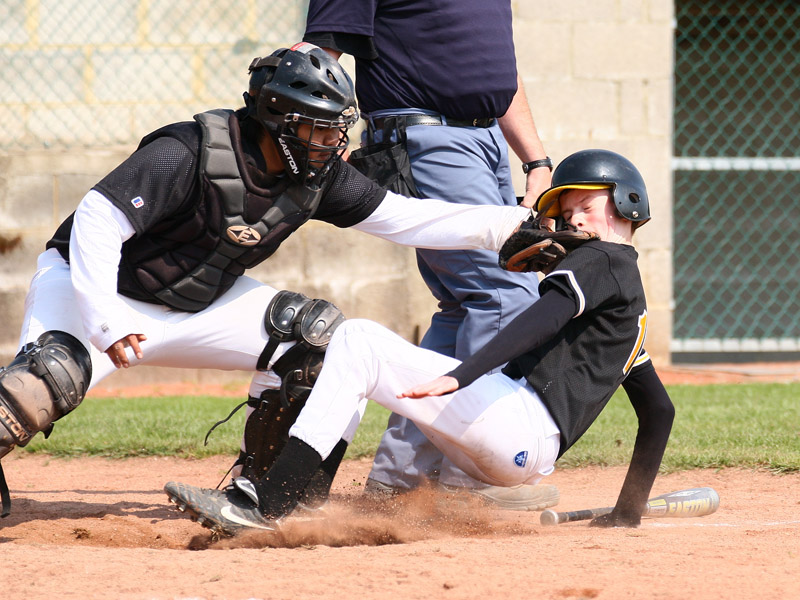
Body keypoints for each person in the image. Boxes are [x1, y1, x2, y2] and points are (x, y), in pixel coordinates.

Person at [0, 42, 536, 518]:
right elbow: (98, 218)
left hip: (198, 304)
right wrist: (102, 317)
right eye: (318, 127)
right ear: (276, 119)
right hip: (93, 289)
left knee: (317, 340)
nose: (331, 142)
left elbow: (404, 217)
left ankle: (266, 497)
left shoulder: (316, 176)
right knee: (48, 376)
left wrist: (510, 226)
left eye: (335, 127)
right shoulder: (189, 150)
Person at [164, 149, 676, 536]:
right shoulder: (629, 309)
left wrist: (461, 374)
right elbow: (659, 411)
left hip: (514, 424)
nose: (573, 220)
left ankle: (270, 505)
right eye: (566, 214)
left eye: (584, 204)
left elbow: (543, 318)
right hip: (516, 446)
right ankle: (298, 497)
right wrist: (627, 511)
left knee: (358, 340)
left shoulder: (605, 259)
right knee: (361, 356)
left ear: (627, 202)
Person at [302, 0, 559, 510]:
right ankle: (470, 479)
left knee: (464, 307)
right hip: (428, 136)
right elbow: (319, 53)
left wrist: (536, 159)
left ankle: (403, 479)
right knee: (504, 291)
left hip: (484, 139)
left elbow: (495, 69)